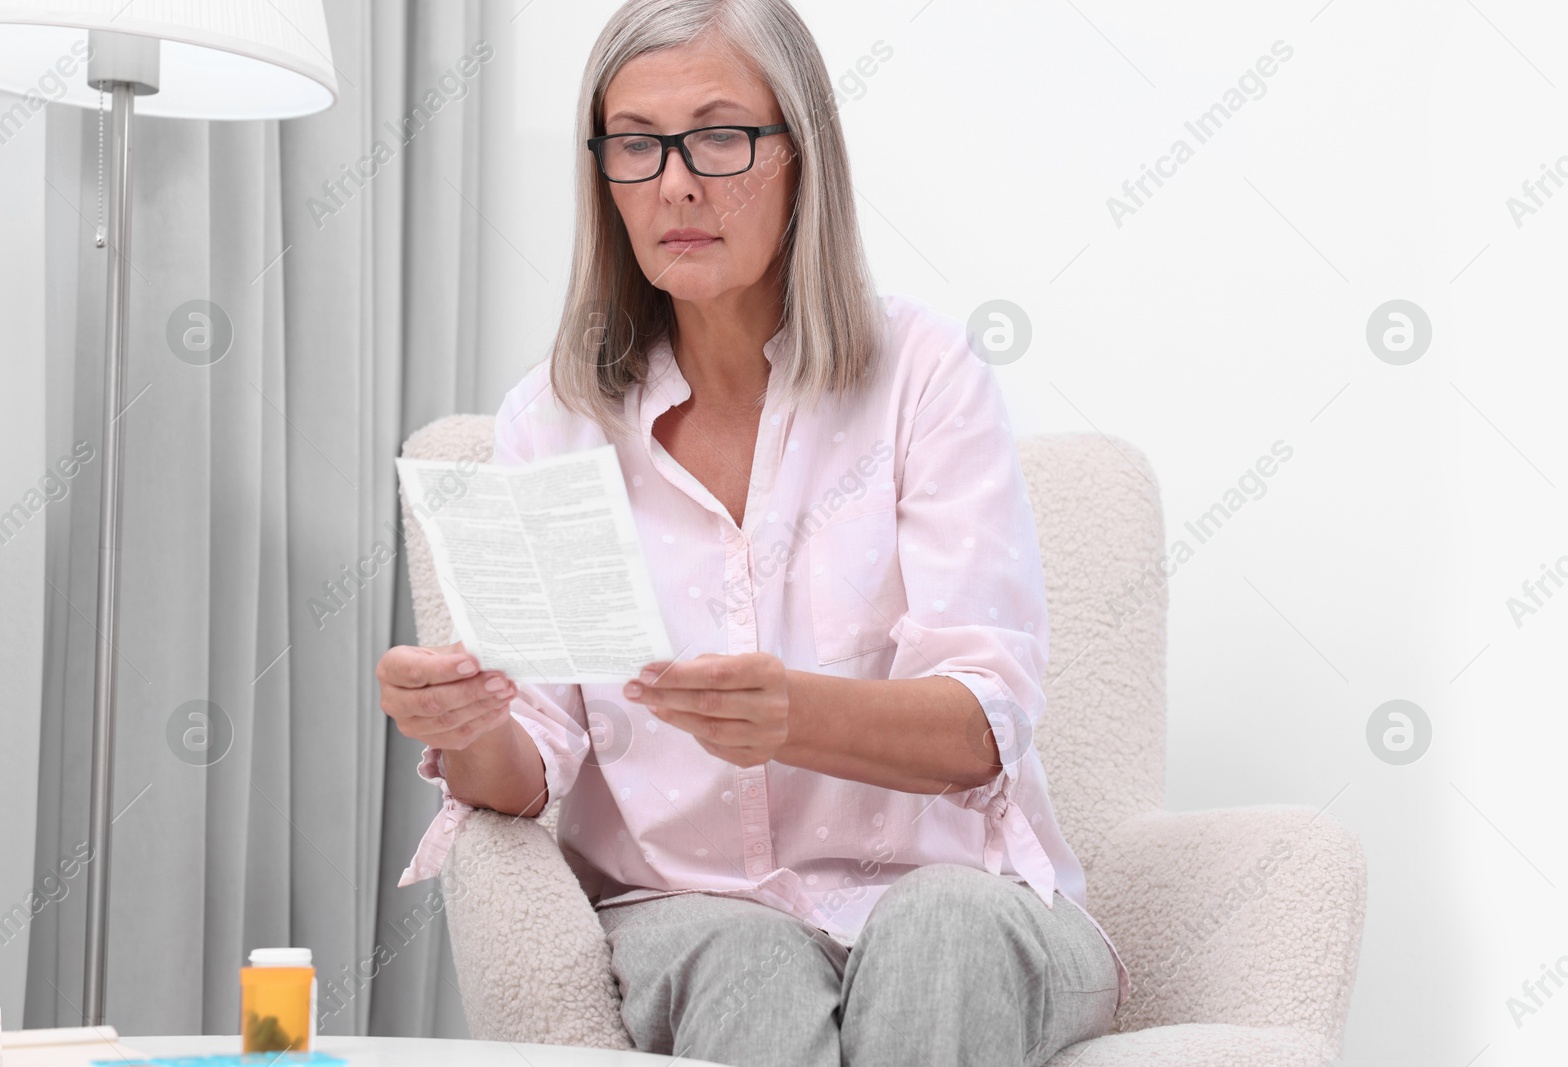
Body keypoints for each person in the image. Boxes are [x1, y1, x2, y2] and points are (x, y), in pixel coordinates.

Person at [377, 1, 1129, 1064]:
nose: (675, 182)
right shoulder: (551, 423)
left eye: (719, 135)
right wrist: (459, 721)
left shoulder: (925, 376)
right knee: (748, 959)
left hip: (969, 906)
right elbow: (527, 765)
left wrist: (794, 715)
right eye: (636, 143)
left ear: (800, 153)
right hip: (688, 910)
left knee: (937, 927)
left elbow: (979, 725)